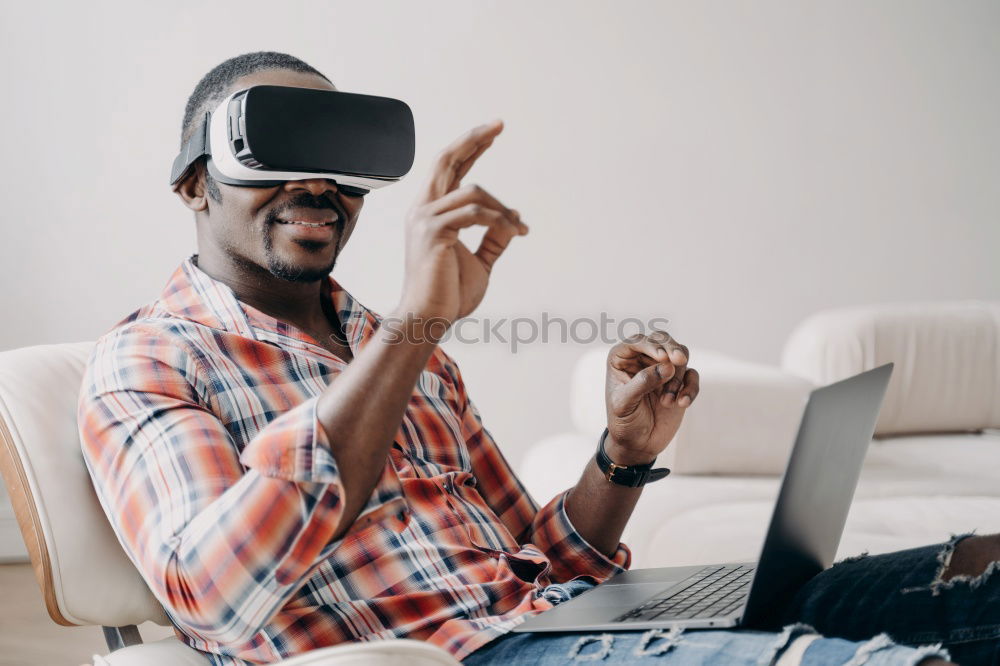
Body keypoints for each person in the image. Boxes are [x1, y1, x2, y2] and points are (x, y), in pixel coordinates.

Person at [78, 52, 996, 666]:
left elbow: (544, 560)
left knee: (972, 583)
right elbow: (212, 594)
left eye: (338, 158)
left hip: (559, 629)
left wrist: (621, 456)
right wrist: (415, 325)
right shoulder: (149, 360)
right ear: (196, 180)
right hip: (463, 656)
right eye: (278, 152)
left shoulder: (403, 352)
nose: (318, 184)